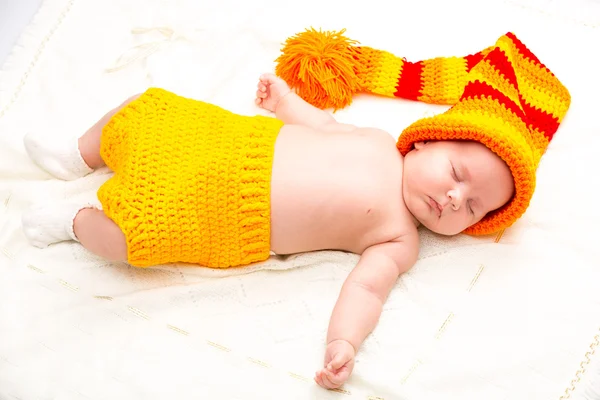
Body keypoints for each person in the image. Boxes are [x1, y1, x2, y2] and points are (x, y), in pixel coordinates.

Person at [20, 29, 570, 390]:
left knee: (130, 241)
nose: (454, 198)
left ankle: (73, 224)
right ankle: (78, 154)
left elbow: (366, 289)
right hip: (230, 142)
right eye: (457, 176)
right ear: (425, 142)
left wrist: (344, 342)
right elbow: (322, 125)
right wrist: (284, 101)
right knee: (145, 109)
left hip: (228, 217)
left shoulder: (398, 241)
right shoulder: (378, 140)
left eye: (471, 209)